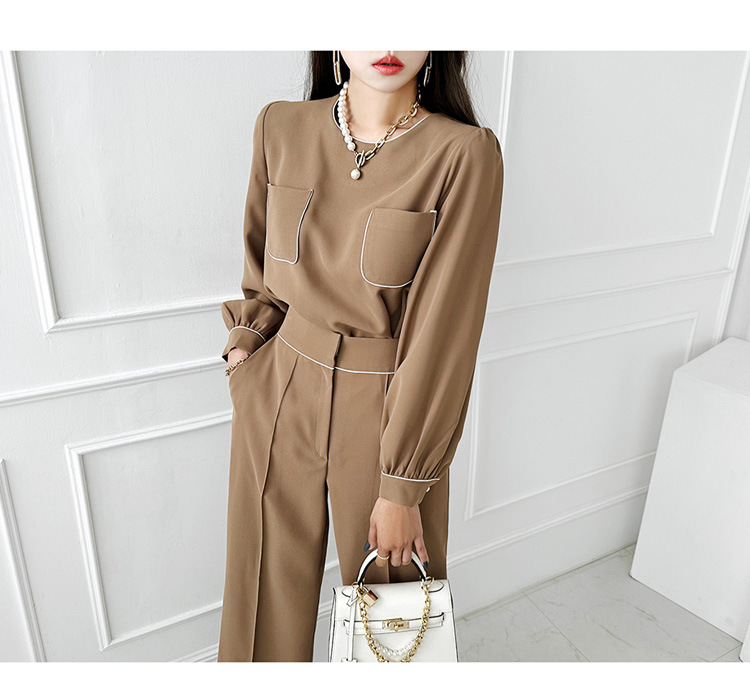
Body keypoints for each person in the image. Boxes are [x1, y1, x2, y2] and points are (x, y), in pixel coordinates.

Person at [217, 50, 504, 662]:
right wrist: (247, 347)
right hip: (279, 385)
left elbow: (444, 332)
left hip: (387, 404)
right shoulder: (280, 126)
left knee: (392, 620)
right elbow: (263, 271)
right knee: (261, 604)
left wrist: (403, 484)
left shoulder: (462, 153)